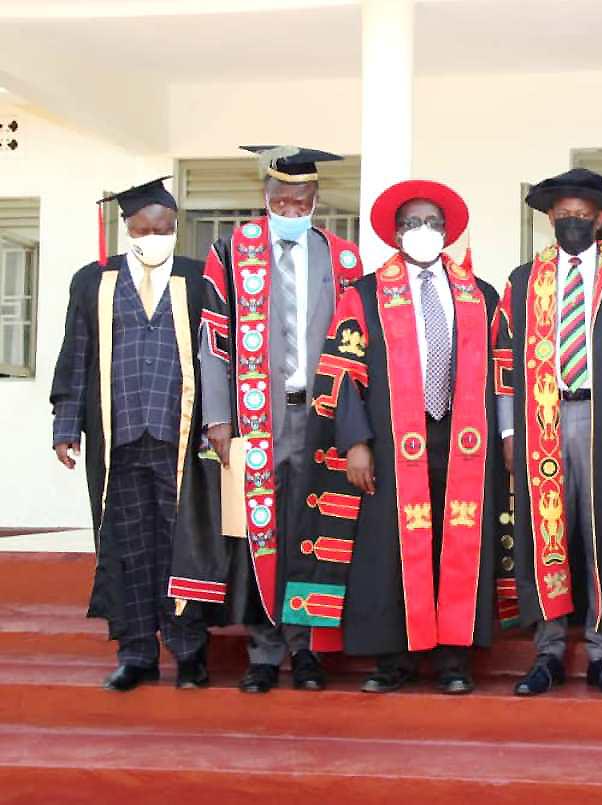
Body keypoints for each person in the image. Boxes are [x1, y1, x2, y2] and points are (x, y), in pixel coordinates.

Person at [280, 180, 501, 694]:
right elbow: (341, 371)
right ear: (396, 233)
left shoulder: (478, 294)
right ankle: (395, 660)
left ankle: (453, 660)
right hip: (394, 437)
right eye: (412, 223)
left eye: (431, 223)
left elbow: (501, 370)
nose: (422, 231)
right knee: (393, 550)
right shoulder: (366, 294)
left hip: (462, 439)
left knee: (456, 543)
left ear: (446, 231)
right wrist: (356, 442)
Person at [176, 145, 364, 694]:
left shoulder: (343, 259)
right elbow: (214, 340)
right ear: (264, 199)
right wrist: (217, 417)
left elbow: (357, 350)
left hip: (323, 416)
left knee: (316, 530)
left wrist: (356, 431)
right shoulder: (232, 252)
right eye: (278, 199)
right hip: (258, 417)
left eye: (298, 200)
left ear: (316, 201)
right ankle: (263, 651)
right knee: (261, 531)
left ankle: (308, 649)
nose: (288, 208)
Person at [493, 168, 602, 697]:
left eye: (582, 213)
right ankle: (547, 650)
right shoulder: (523, 281)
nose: (572, 220)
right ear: (550, 218)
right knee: (546, 534)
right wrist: (507, 430)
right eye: (563, 213)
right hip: (539, 422)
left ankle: (601, 651)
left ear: (599, 218)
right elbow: (503, 359)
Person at [50, 178, 211, 691]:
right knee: (127, 545)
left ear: (175, 229)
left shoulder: (201, 279)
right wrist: (64, 425)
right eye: (142, 229)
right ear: (126, 230)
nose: (153, 236)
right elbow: (76, 356)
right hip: (114, 439)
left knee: (181, 545)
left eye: (163, 229)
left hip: (181, 437)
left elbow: (218, 360)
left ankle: (189, 651)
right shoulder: (92, 281)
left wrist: (219, 426)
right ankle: (137, 652)